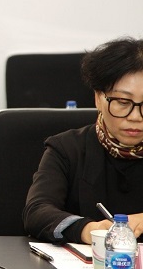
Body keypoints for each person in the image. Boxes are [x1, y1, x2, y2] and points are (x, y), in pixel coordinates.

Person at [23, 37, 143, 244]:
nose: (135, 117)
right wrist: (89, 230)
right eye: (123, 102)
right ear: (98, 98)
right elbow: (37, 211)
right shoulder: (66, 149)